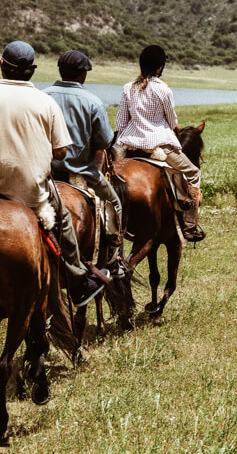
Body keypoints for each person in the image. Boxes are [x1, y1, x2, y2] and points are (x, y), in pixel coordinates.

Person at [0, 40, 108, 307]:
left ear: (1, 66)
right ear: (33, 70)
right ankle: (78, 280)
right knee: (65, 223)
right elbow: (61, 152)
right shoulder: (45, 102)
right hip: (29, 189)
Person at [114, 45, 204, 241]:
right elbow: (172, 121)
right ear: (159, 68)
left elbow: (121, 123)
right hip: (159, 146)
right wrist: (178, 132)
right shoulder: (163, 90)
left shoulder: (127, 88)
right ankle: (189, 224)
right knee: (193, 172)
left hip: (130, 147)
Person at [45, 49, 123, 246]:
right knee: (114, 203)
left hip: (47, 174)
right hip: (81, 174)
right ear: (82, 75)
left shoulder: (43, 96)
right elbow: (105, 141)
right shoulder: (93, 102)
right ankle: (114, 257)